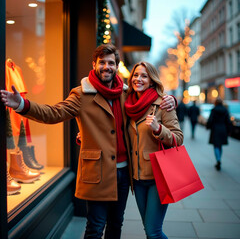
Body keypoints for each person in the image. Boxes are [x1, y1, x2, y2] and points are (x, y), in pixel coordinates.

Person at [0, 44, 176, 239]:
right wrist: (22, 105)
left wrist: (171, 101)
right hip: (97, 172)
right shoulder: (81, 94)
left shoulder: (126, 93)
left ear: (116, 67)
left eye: (111, 63)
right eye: (102, 63)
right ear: (94, 64)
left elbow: (150, 100)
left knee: (116, 224)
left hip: (124, 173)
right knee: (95, 227)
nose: (107, 67)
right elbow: (53, 113)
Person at [124, 61, 184, 239]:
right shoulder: (127, 104)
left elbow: (178, 139)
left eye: (144, 76)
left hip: (159, 176)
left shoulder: (163, 104)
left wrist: (159, 129)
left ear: (152, 80)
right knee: (149, 230)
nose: (138, 79)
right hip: (137, 178)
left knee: (153, 231)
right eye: (135, 75)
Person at [206, 97, 232, 171]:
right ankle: (219, 158)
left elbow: (210, 120)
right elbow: (228, 121)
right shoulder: (225, 110)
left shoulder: (214, 110)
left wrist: (208, 127)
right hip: (223, 129)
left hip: (215, 129)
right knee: (220, 145)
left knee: (216, 145)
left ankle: (218, 160)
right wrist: (229, 130)